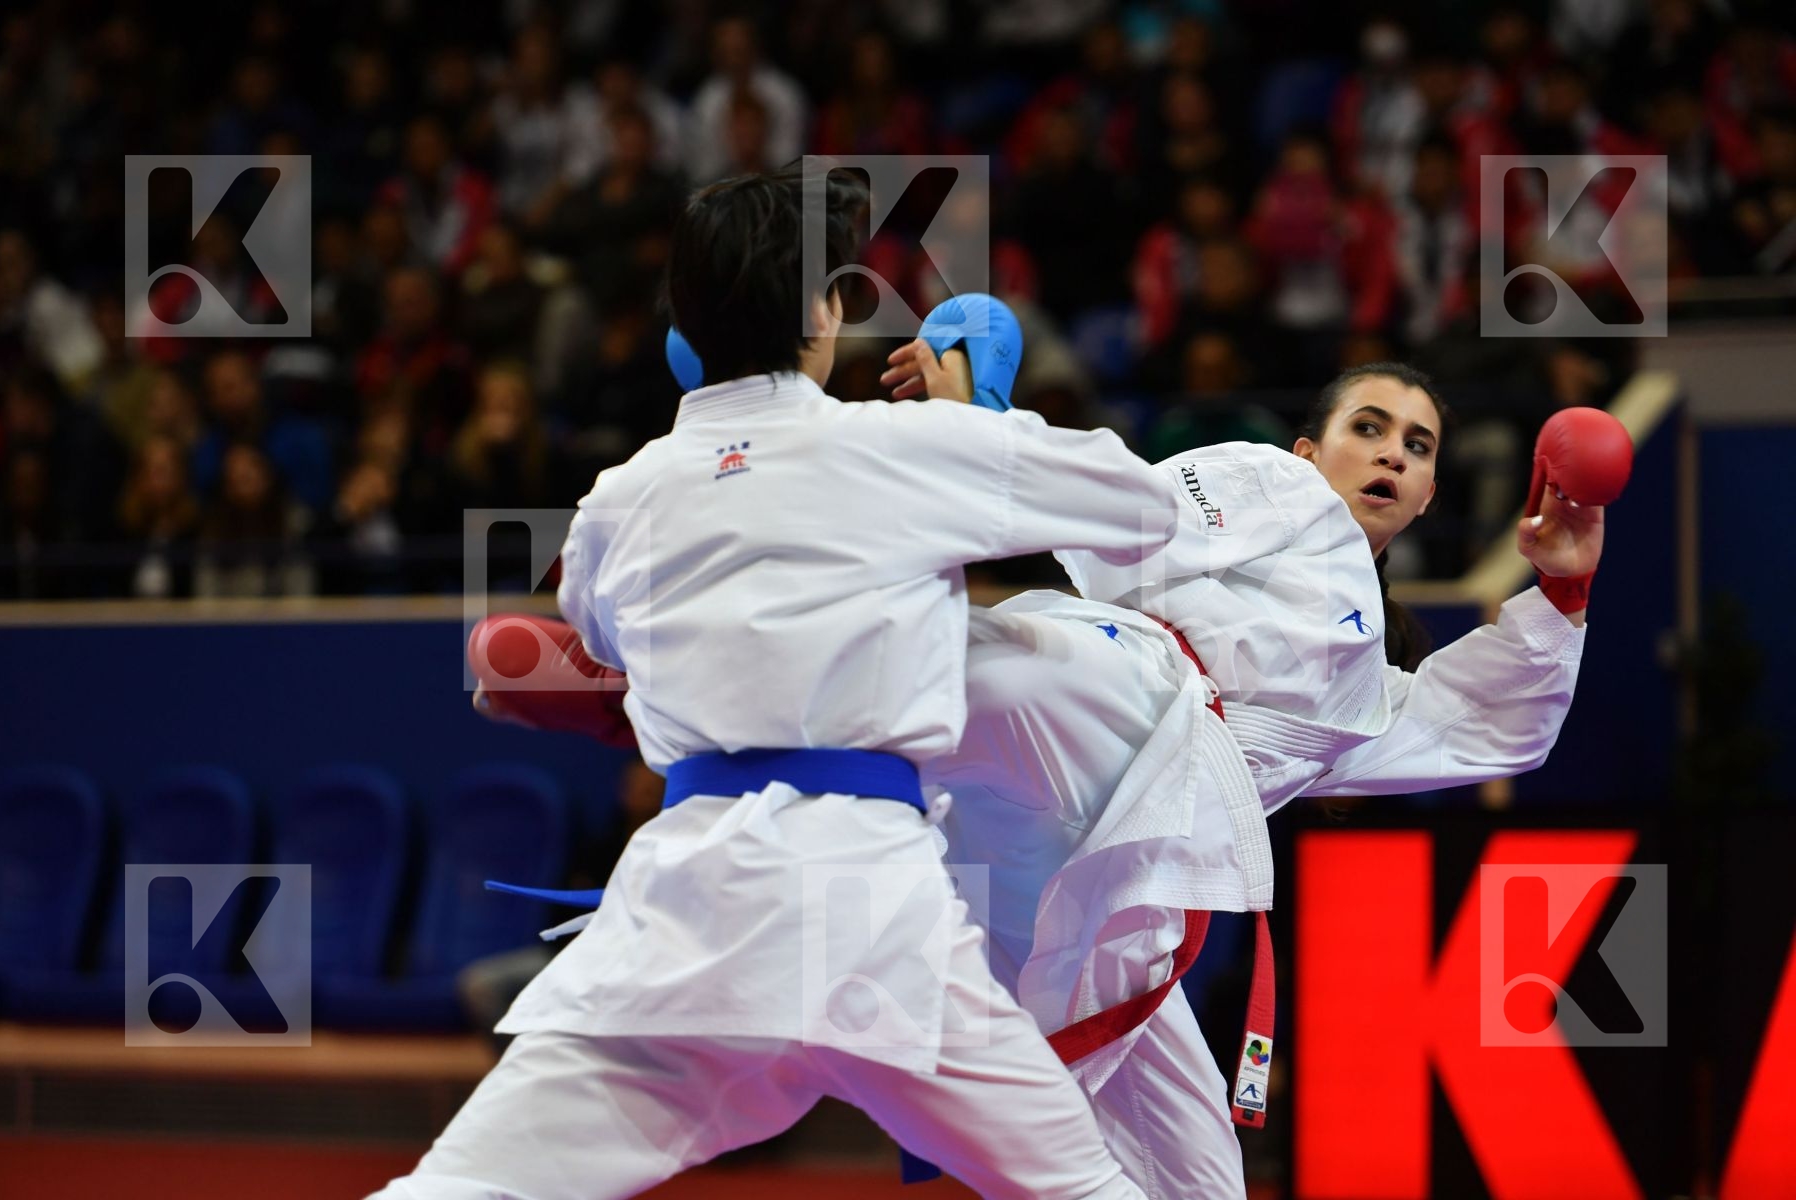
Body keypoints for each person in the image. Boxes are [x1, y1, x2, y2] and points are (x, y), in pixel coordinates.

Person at [371, 174, 1176, 1200]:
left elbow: (602, 630)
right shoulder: (901, 449)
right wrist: (976, 420)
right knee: (1082, 1189)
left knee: (467, 1189)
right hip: (867, 909)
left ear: (684, 334)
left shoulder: (620, 499)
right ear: (825, 313)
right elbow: (1145, 509)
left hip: (684, 917)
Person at [917, 360, 1599, 1198]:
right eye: (1369, 428)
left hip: (1116, 884)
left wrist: (1566, 586)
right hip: (1110, 684)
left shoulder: (1356, 704)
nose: (1391, 454)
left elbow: (1493, 726)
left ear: (1428, 495)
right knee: (945, 663)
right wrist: (979, 431)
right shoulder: (1275, 482)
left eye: (1416, 447)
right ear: (1308, 452)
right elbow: (1128, 511)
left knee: (1198, 1182)